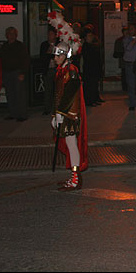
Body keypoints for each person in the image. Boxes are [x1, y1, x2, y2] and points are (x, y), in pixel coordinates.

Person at [47, 11, 88, 192]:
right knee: (71, 145)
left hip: (70, 115)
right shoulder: (62, 70)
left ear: (65, 55)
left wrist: (61, 114)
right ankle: (73, 177)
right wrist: (55, 114)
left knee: (72, 145)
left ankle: (75, 179)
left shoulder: (71, 70)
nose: (55, 58)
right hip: (63, 114)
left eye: (57, 55)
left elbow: (70, 94)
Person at [0, 27, 29, 122]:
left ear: (16, 35)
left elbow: (25, 60)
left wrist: (22, 73)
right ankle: (13, 113)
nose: (11, 36)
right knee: (10, 94)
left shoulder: (20, 46)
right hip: (6, 73)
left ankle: (22, 114)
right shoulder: (4, 46)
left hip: (17, 72)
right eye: (9, 34)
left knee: (19, 94)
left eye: (13, 34)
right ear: (6, 35)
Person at [81, 26, 103, 106]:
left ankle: (94, 99)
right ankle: (89, 101)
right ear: (86, 37)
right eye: (89, 36)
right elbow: (88, 58)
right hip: (89, 69)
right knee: (89, 85)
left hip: (95, 68)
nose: (91, 37)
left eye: (91, 36)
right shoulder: (86, 46)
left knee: (94, 85)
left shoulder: (93, 45)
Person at [39, 28, 58, 115]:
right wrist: (49, 53)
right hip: (48, 69)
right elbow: (43, 58)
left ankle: (56, 108)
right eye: (48, 34)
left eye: (51, 34)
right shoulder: (44, 45)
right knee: (48, 90)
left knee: (57, 89)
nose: (50, 36)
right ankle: (47, 108)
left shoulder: (58, 44)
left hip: (56, 69)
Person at [123, 24, 136, 111]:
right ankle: (132, 104)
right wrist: (135, 39)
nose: (131, 31)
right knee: (131, 85)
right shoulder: (126, 39)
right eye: (129, 29)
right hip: (129, 64)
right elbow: (128, 48)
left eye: (132, 29)